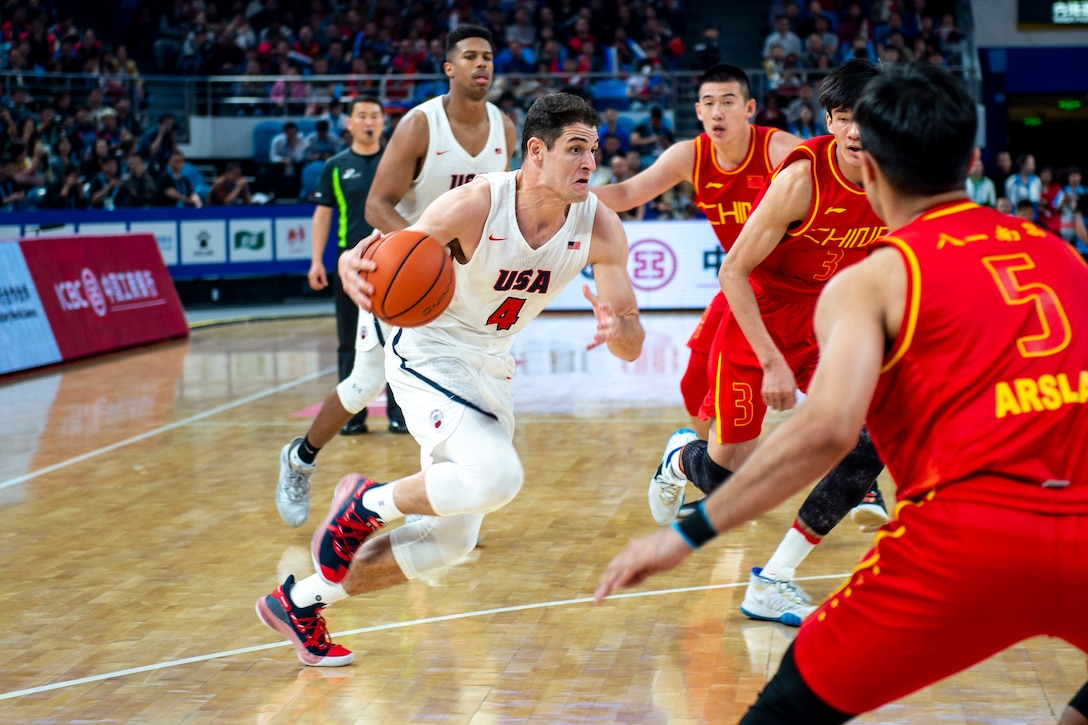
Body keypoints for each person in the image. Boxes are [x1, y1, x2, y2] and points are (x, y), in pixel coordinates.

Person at [595, 61, 1088, 725]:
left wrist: (687, 538)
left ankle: (772, 577)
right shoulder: (1061, 253)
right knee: (730, 464)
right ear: (973, 159)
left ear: (874, 167)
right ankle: (692, 464)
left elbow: (824, 428)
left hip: (964, 548)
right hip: (1081, 533)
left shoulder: (879, 274)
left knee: (784, 710)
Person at [257, 92, 644, 667]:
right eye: (576, 149)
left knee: (452, 540)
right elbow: (388, 255)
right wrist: (347, 264)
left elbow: (631, 345)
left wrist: (618, 325)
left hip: (491, 365)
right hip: (430, 351)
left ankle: (299, 601)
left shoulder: (600, 227)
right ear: (536, 152)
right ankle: (365, 505)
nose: (591, 161)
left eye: (595, 149)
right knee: (497, 475)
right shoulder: (474, 204)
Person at [645, 59, 889, 626]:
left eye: (868, 118)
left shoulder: (892, 176)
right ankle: (682, 459)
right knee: (732, 485)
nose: (857, 131)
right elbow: (733, 272)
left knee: (867, 443)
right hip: (759, 318)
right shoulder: (801, 178)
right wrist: (774, 363)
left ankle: (774, 579)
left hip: (826, 320)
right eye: (845, 118)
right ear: (830, 121)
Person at [275, 25, 516, 529]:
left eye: (488, 57)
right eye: (470, 56)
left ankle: (442, 505)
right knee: (366, 383)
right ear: (449, 69)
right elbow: (376, 204)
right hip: (406, 273)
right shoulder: (419, 125)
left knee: (460, 382)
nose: (481, 64)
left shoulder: (505, 129)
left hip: (464, 281)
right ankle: (300, 457)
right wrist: (424, 250)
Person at [592, 64, 801, 442]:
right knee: (693, 384)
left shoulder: (780, 150)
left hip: (798, 285)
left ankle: (861, 477)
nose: (718, 112)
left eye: (728, 101)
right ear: (698, 111)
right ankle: (705, 466)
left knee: (832, 382)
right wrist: (561, 194)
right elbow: (625, 195)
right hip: (743, 282)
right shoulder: (689, 156)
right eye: (709, 103)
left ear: (749, 107)